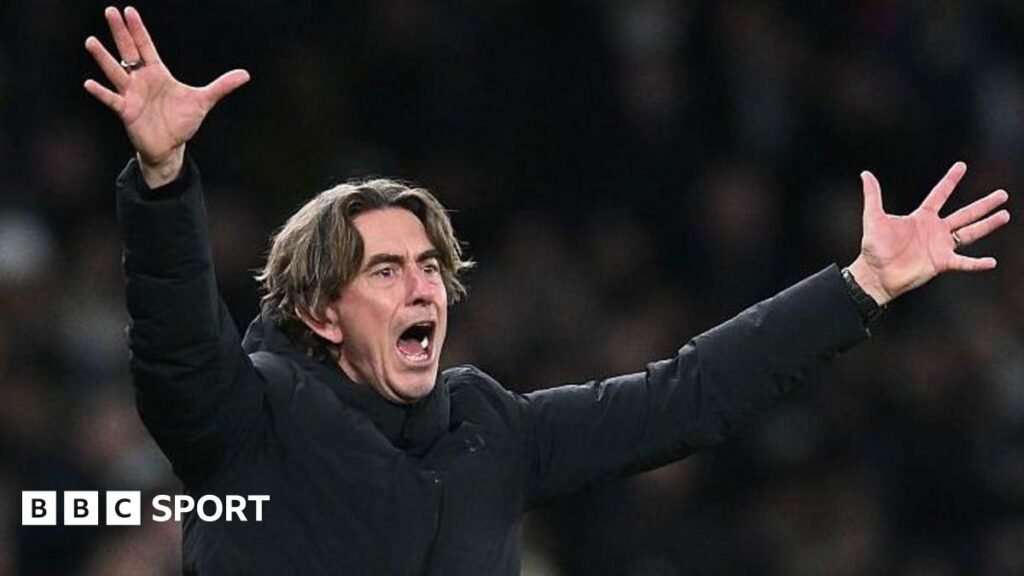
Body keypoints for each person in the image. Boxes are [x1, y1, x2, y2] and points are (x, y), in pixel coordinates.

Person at [84, 6, 1010, 575]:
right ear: (321, 312)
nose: (424, 289)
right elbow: (176, 342)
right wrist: (163, 180)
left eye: (431, 267)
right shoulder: (249, 420)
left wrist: (858, 286)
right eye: (386, 270)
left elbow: (689, 394)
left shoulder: (494, 430)